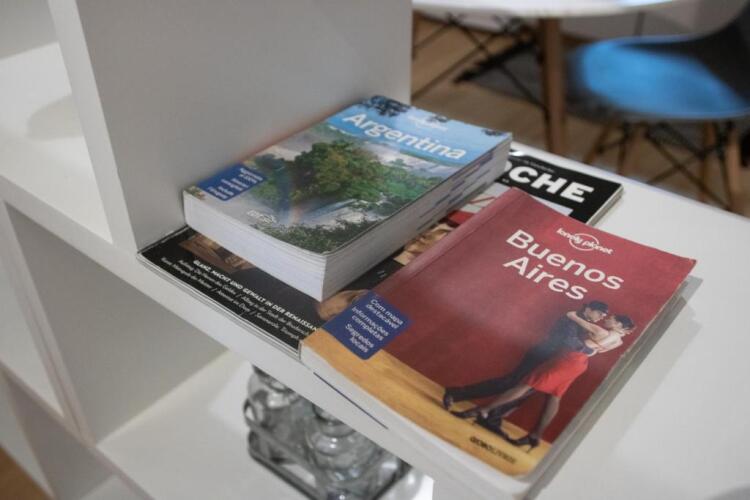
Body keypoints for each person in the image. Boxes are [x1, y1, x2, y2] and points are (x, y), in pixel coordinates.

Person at [461, 312, 635, 450]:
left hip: (568, 360)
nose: (607, 319)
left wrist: (576, 317)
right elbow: (596, 349)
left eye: (611, 319)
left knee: (526, 384)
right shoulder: (618, 341)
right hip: (580, 364)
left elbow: (572, 316)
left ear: (619, 325)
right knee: (554, 396)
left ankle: (483, 411)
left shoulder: (601, 331)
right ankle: (535, 436)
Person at [442, 301, 609, 411]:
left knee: (524, 389)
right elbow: (569, 340)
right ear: (589, 309)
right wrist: (588, 350)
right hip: (543, 353)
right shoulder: (572, 319)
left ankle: (490, 418)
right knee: (511, 382)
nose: (601, 317)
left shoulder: (583, 322)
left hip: (551, 358)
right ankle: (456, 394)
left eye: (603, 316)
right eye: (600, 313)